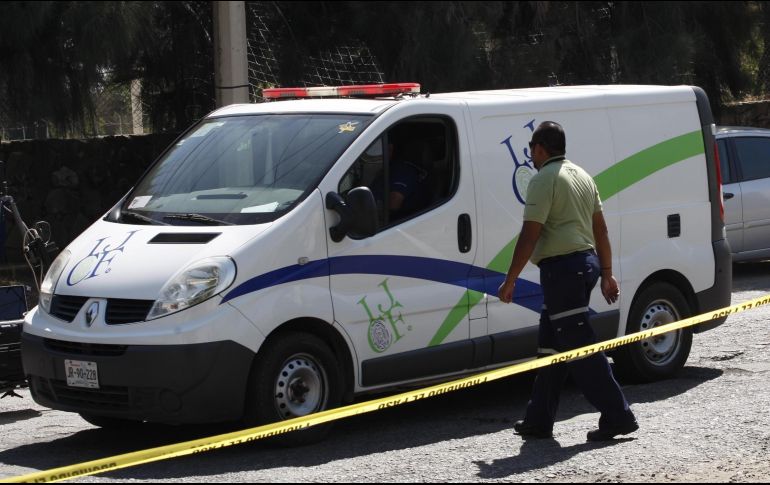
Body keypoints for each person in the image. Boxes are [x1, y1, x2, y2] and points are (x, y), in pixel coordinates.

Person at [497, 121, 638, 442]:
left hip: (564, 270)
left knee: (580, 347)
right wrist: (605, 272)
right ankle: (539, 419)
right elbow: (600, 230)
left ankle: (618, 414)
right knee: (551, 345)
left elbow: (529, 234)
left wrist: (510, 280)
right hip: (583, 265)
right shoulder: (582, 175)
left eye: (532, 146)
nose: (530, 153)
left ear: (541, 148)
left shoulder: (543, 179)